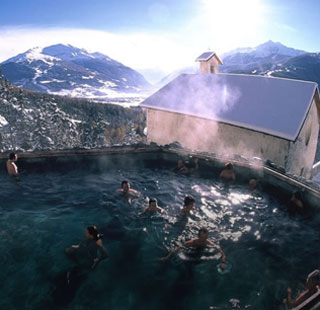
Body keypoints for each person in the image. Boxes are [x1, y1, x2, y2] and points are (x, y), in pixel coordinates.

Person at [158, 227, 227, 269]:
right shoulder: (192, 242)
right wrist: (166, 257)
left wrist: (223, 262)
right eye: (202, 237)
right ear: (198, 236)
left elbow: (222, 253)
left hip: (201, 251)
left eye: (205, 238)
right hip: (192, 250)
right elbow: (178, 248)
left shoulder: (208, 243)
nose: (203, 239)